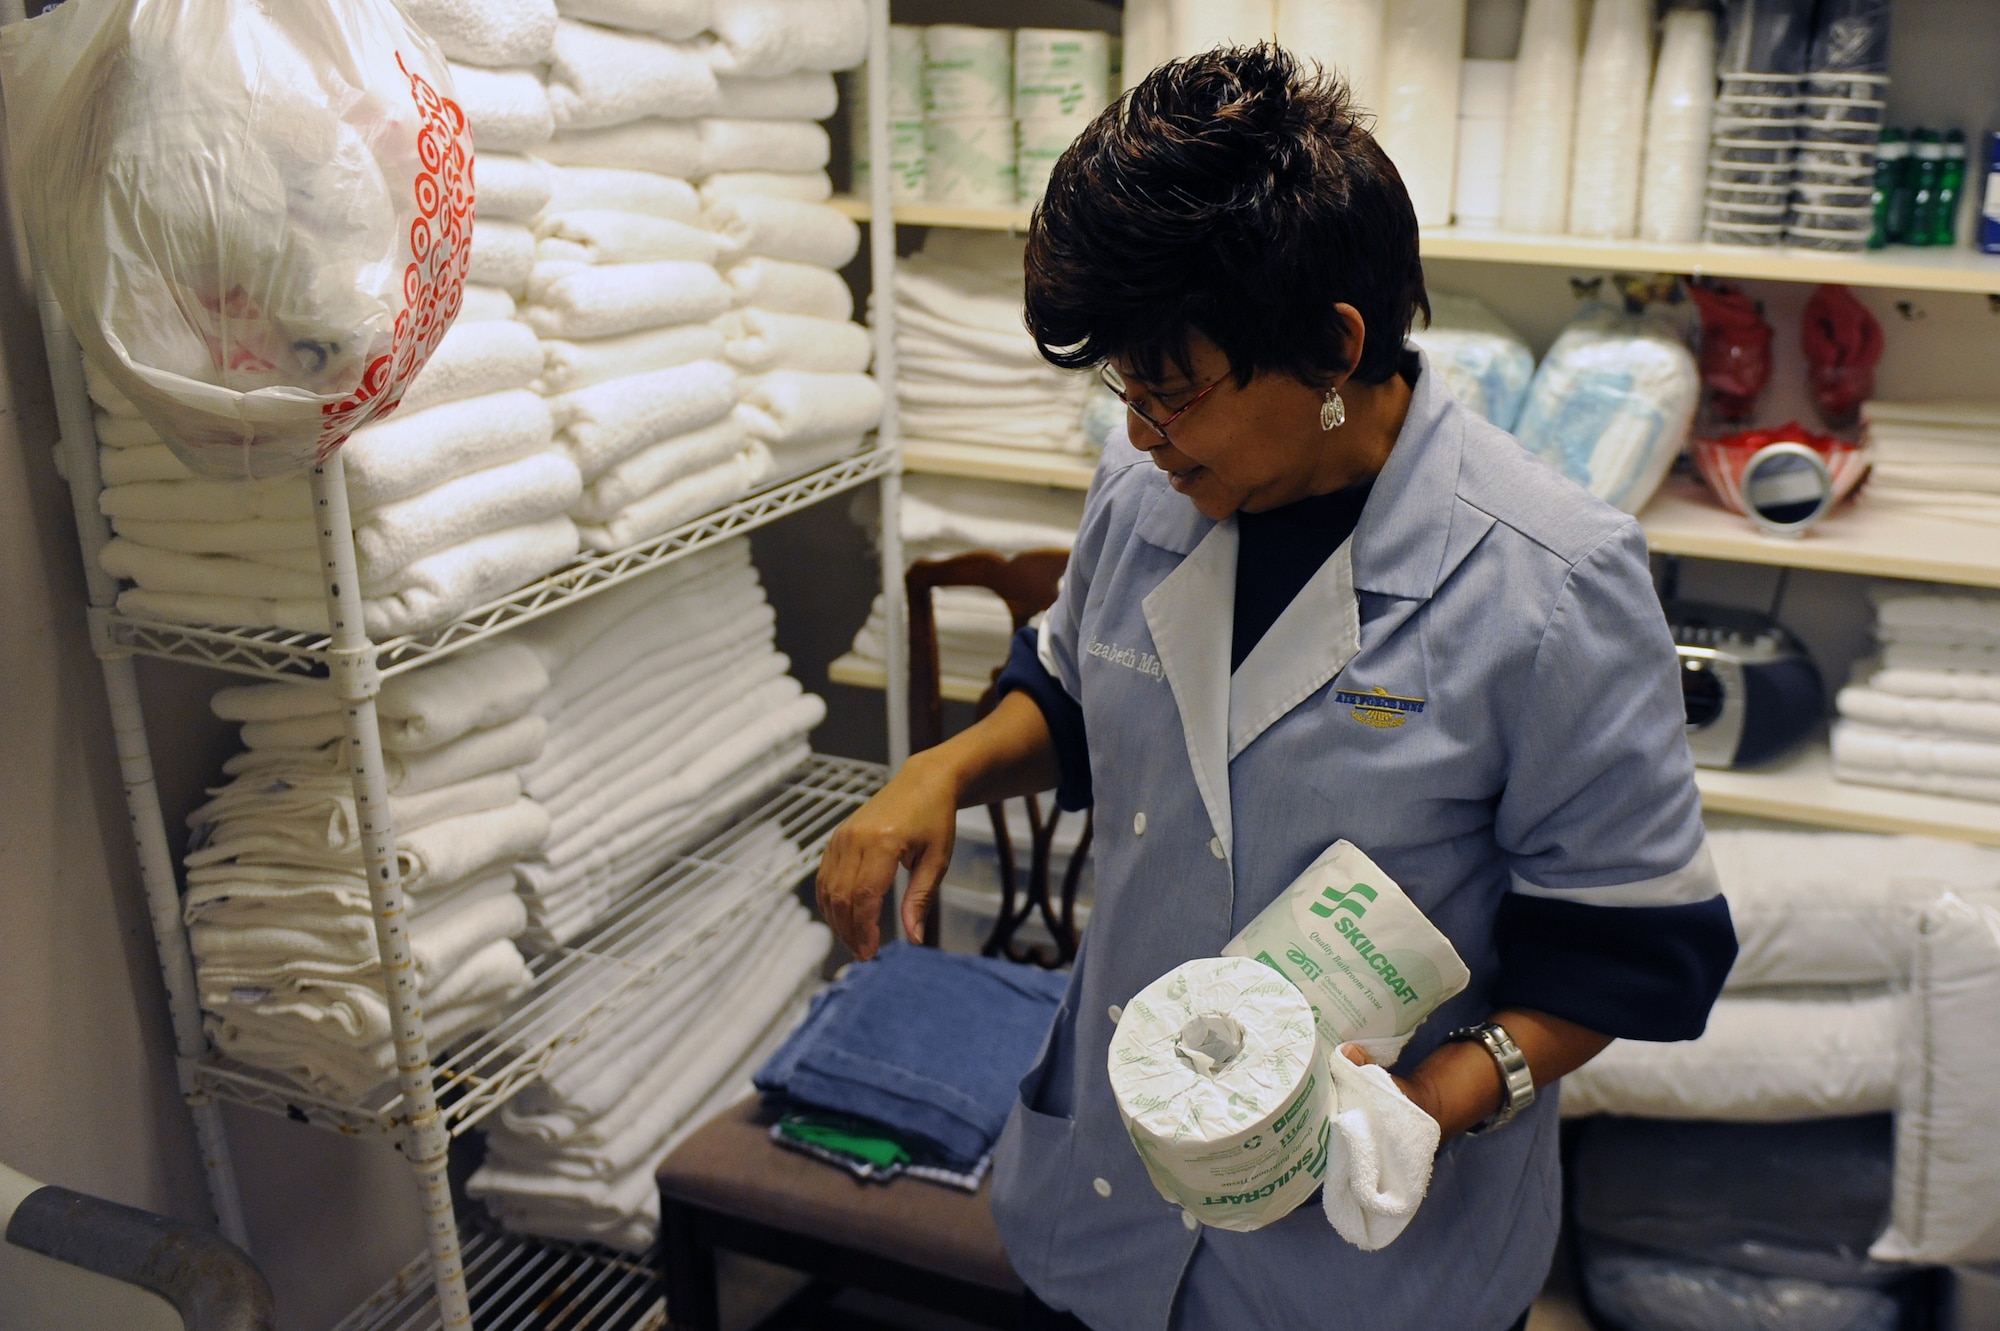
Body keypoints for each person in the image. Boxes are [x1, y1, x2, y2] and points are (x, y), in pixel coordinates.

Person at [815, 45, 1736, 1331]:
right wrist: (943, 770)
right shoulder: (1146, 498)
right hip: (1111, 1187)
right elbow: (1072, 696)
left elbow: (1627, 949)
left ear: (1330, 348)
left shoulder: (1549, 581)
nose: (1137, 427)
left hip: (1362, 1251)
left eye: (1173, 385)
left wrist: (1430, 1104)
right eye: (1120, 384)